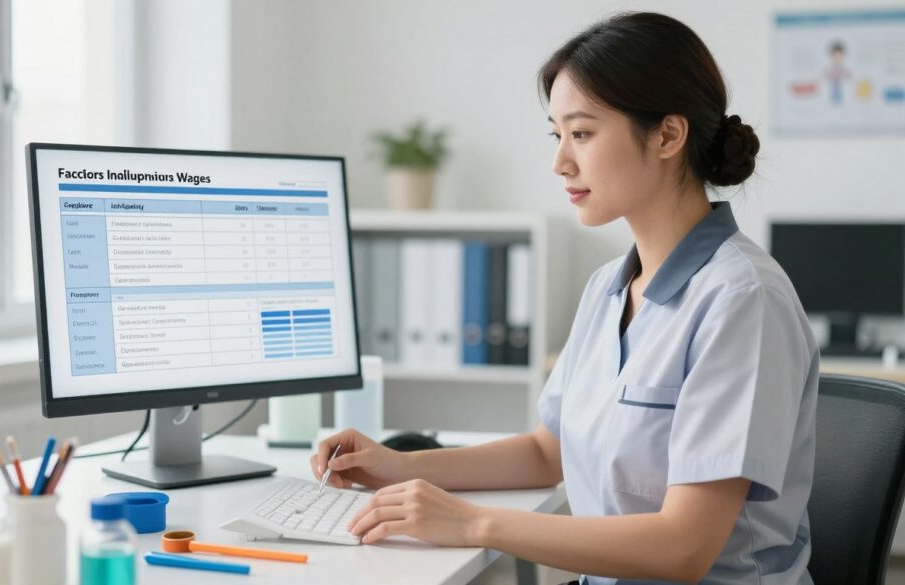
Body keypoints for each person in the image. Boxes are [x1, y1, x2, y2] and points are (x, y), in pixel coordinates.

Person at [311, 12, 817, 585]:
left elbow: (683, 548)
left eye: (582, 133)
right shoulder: (608, 287)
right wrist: (398, 465)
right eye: (557, 135)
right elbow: (546, 451)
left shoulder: (742, 299)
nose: (560, 162)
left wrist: (474, 524)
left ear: (668, 135)